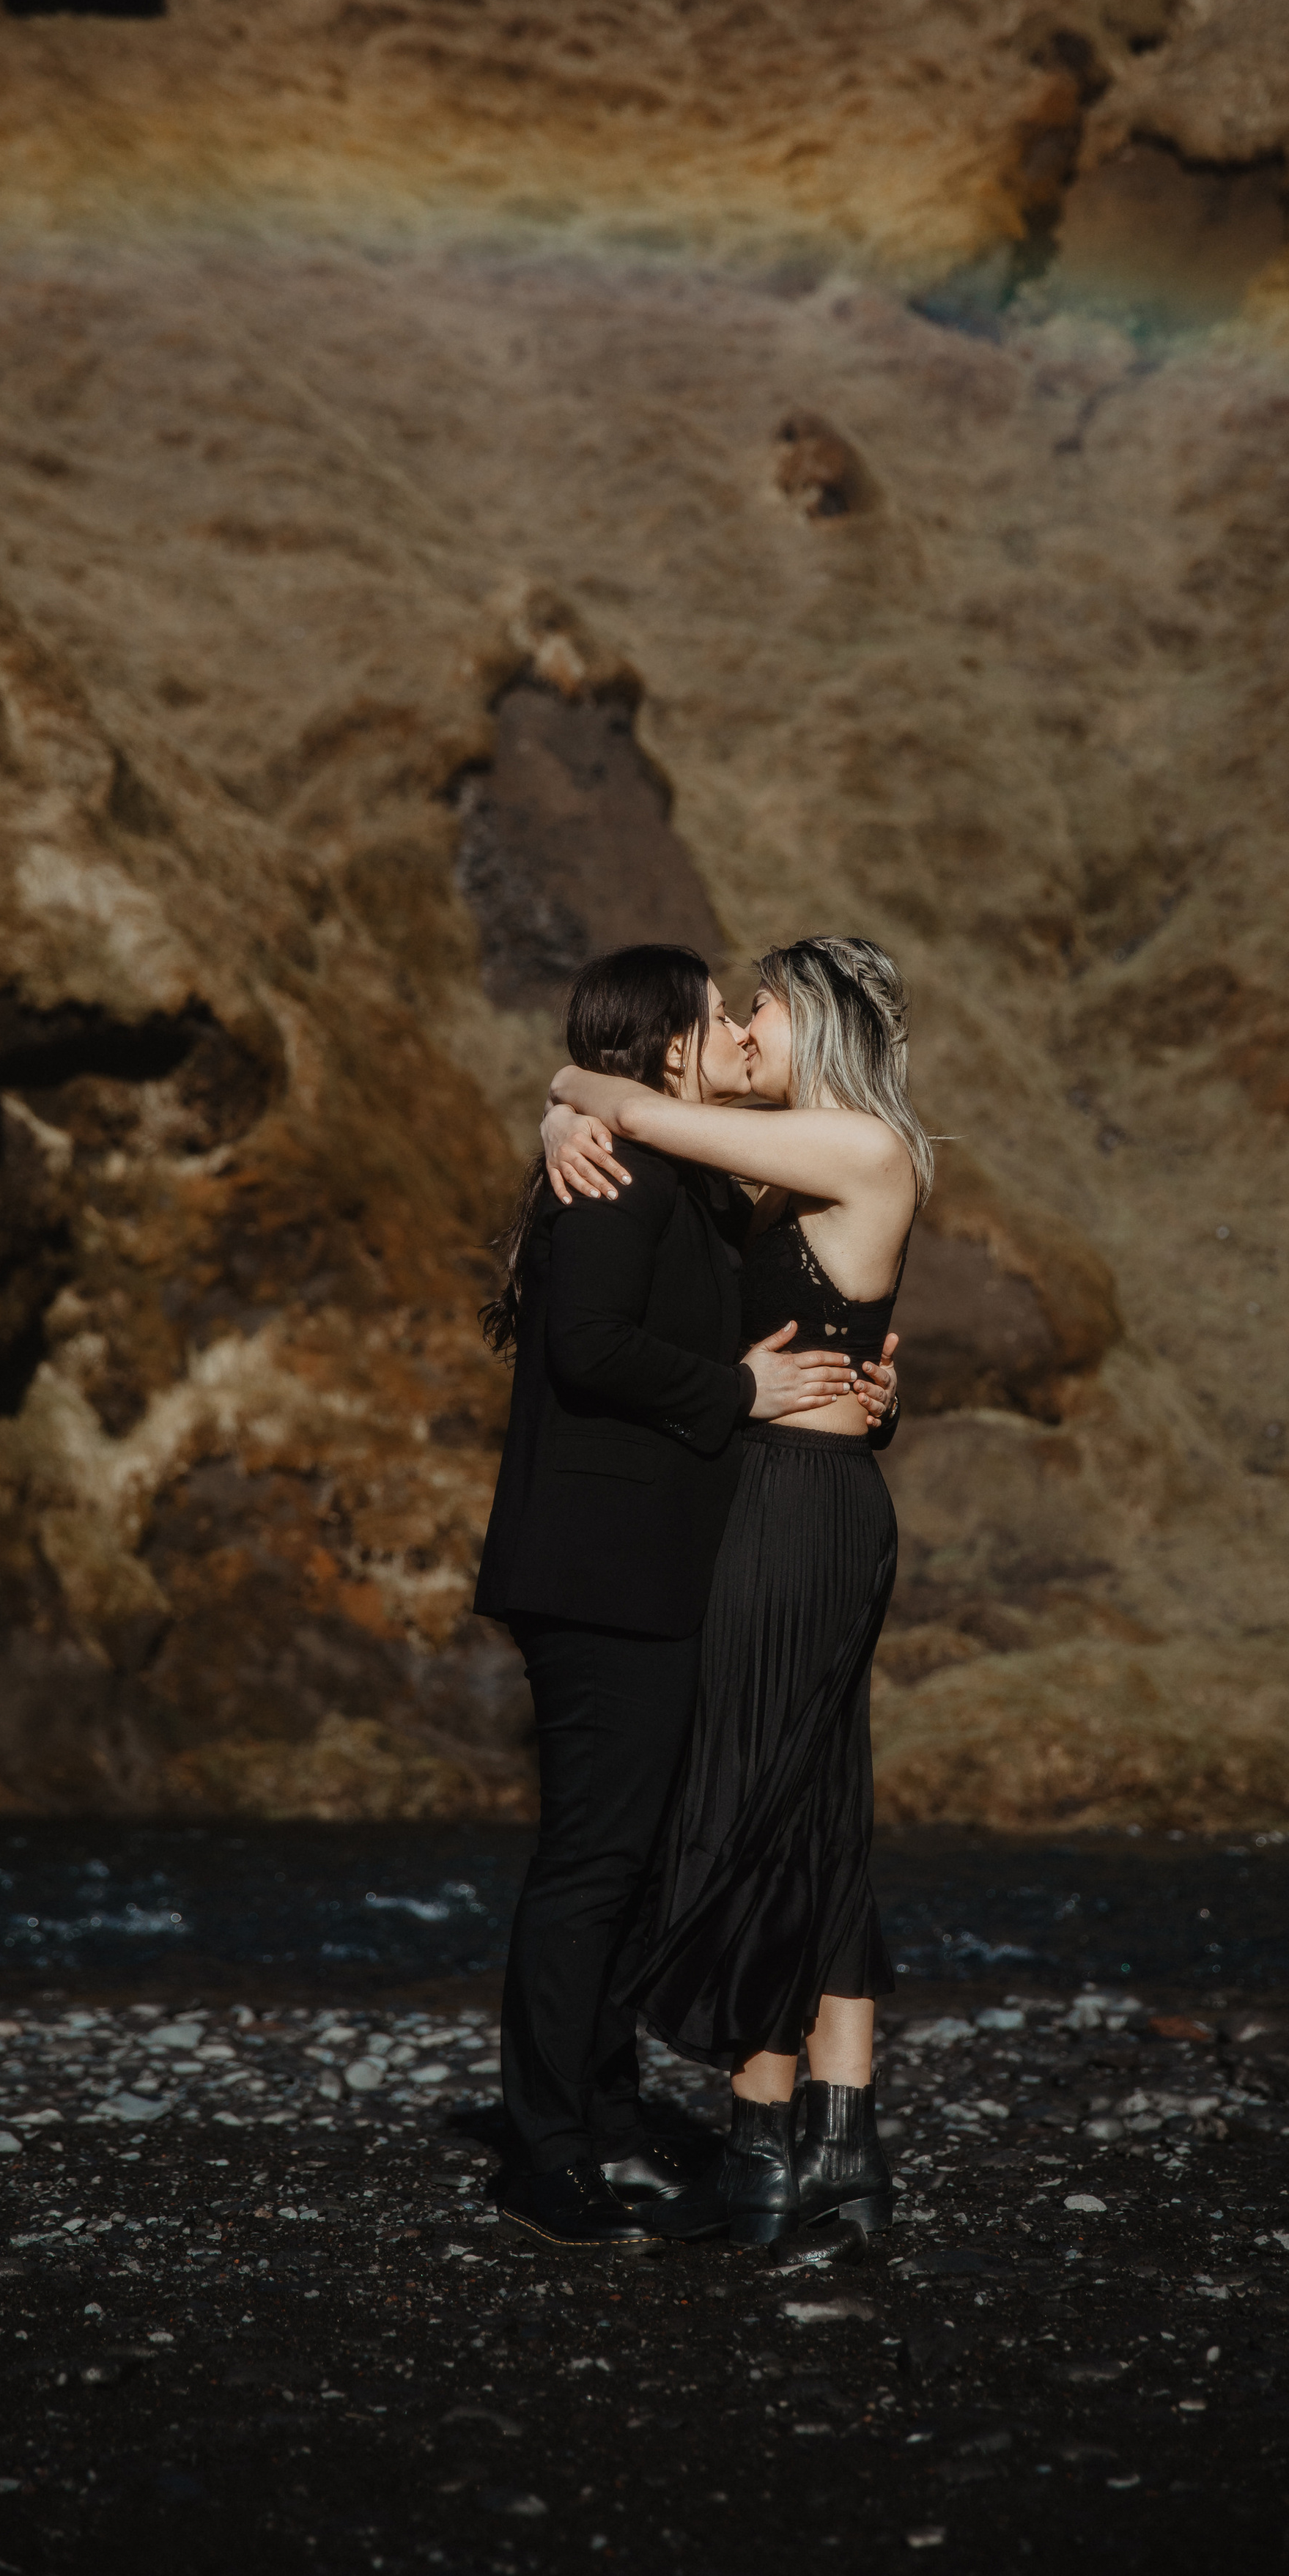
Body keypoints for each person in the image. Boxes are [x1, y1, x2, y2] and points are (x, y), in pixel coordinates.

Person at [476, 944, 898, 2250]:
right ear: (668, 1046)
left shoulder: (705, 1174)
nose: (736, 1030)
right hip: (600, 1563)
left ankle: (615, 2118)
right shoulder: (622, 1169)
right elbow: (590, 1347)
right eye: (718, 1016)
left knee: (650, 1853)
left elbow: (805, 1316)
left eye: (751, 1010)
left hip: (674, 1559)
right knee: (598, 1861)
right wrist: (743, 1390)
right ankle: (550, 2153)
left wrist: (848, 1390)